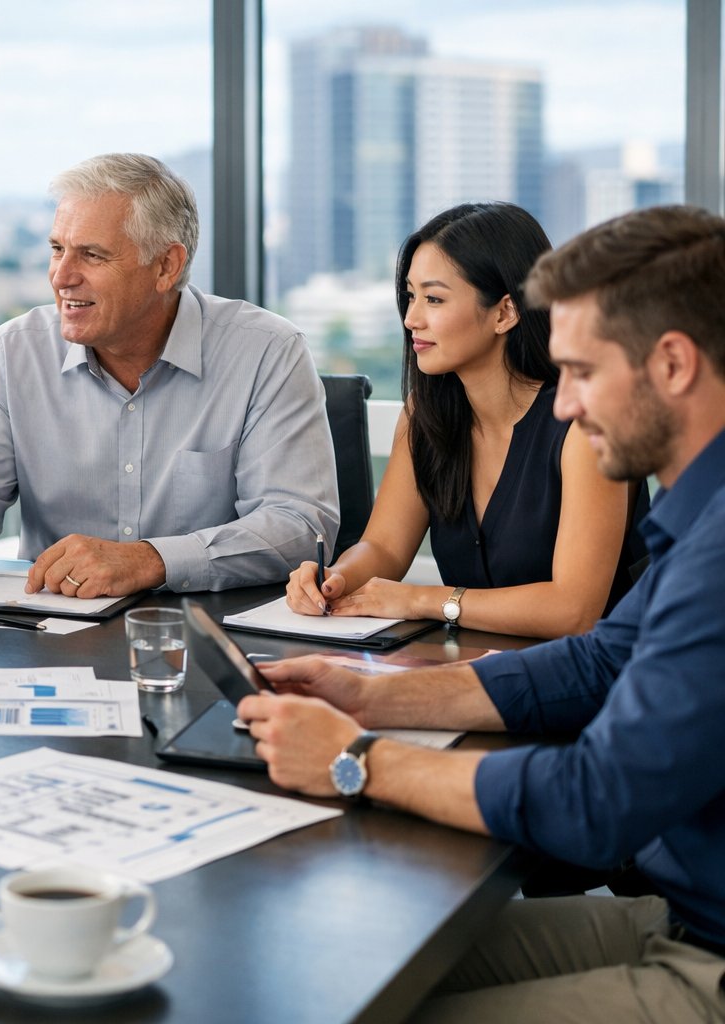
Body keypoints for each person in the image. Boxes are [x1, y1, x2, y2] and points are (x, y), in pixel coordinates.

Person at [241, 205, 725, 1023]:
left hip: (709, 962)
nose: (565, 405)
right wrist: (369, 694)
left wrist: (358, 760)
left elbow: (596, 795)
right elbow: (600, 658)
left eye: (583, 372)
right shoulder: (700, 512)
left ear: (672, 363)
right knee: (340, 978)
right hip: (681, 915)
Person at [0, 153, 338, 597]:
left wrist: (149, 560)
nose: (62, 276)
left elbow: (300, 528)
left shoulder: (266, 352)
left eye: (92, 255)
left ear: (166, 266)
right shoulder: (11, 353)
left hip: (208, 636)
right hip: (47, 639)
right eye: (57, 249)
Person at [284, 203, 647, 639]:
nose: (411, 319)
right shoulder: (427, 413)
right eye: (411, 295)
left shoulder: (584, 424)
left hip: (599, 679)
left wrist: (421, 598)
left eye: (434, 299)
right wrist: (335, 579)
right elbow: (383, 547)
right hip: (474, 664)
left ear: (504, 312)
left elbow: (573, 611)